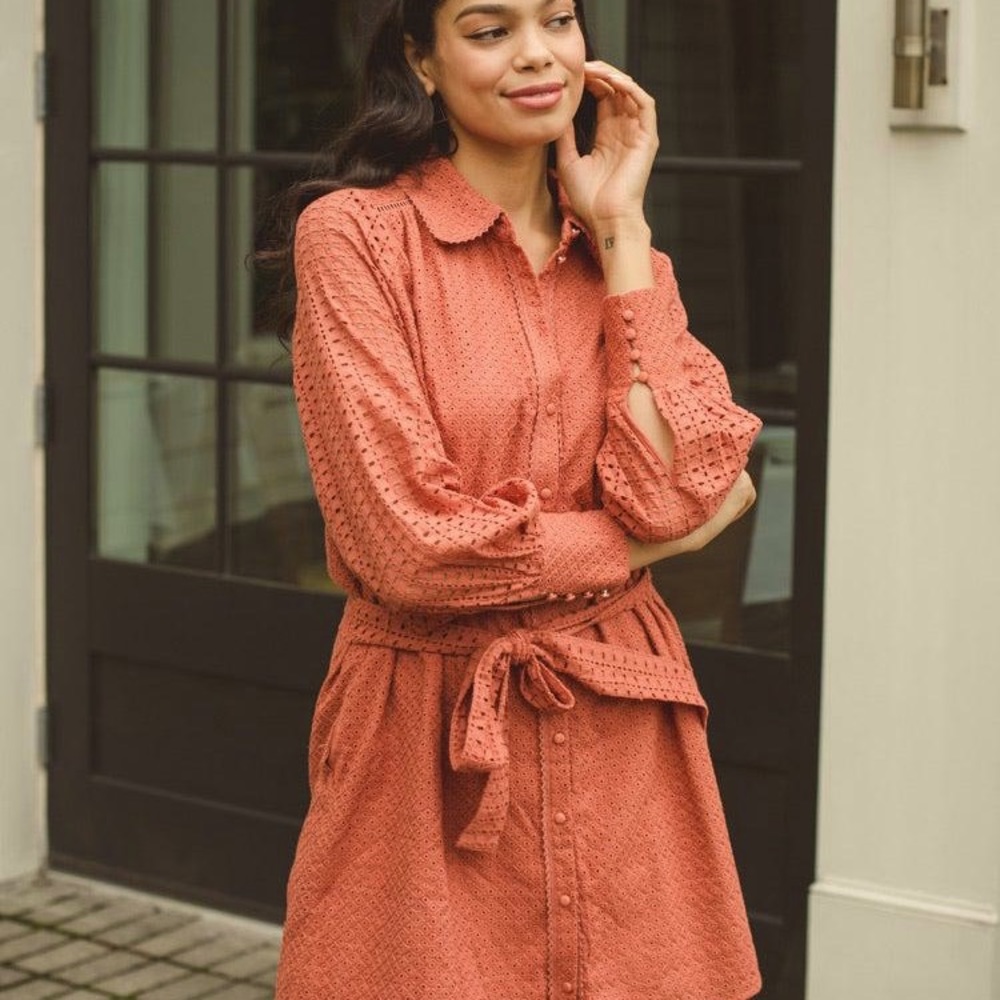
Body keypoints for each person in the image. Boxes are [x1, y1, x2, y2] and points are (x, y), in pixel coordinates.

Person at [272, 0, 763, 997]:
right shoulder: (356, 239)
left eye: (558, 20)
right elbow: (411, 546)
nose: (537, 55)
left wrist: (621, 233)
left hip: (623, 709)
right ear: (421, 58)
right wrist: (629, 548)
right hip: (425, 725)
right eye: (490, 29)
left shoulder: (626, 263)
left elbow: (677, 487)